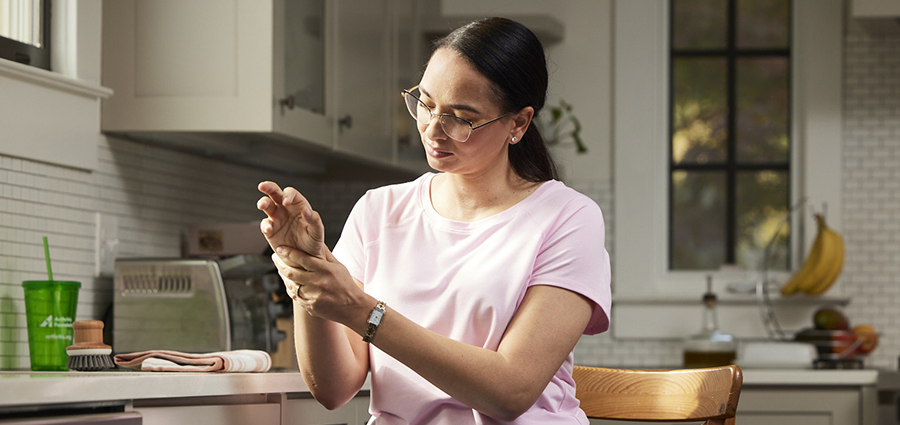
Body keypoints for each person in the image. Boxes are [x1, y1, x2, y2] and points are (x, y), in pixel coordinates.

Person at [257, 17, 611, 425]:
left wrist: (362, 311)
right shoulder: (379, 210)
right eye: (425, 104)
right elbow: (334, 390)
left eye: (460, 117)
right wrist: (309, 270)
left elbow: (511, 391)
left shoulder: (568, 217)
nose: (433, 129)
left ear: (518, 123)